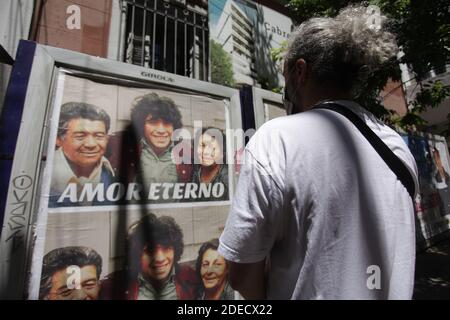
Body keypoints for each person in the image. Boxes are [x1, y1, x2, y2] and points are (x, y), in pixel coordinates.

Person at [218, 4, 419, 300]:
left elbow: (242, 272)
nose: (285, 91)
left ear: (300, 72)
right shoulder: (397, 147)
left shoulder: (277, 138)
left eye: (285, 77)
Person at [100, 213, 197, 300]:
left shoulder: (191, 277)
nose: (160, 259)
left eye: (166, 248)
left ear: (175, 251)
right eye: (150, 250)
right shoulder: (113, 286)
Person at [49, 102, 115, 207]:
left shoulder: (112, 172)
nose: (91, 144)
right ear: (58, 139)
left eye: (99, 136)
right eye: (80, 136)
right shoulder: (43, 173)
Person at [192, 127, 229, 201]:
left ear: (222, 153)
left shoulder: (229, 179)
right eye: (202, 145)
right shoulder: (191, 172)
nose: (206, 152)